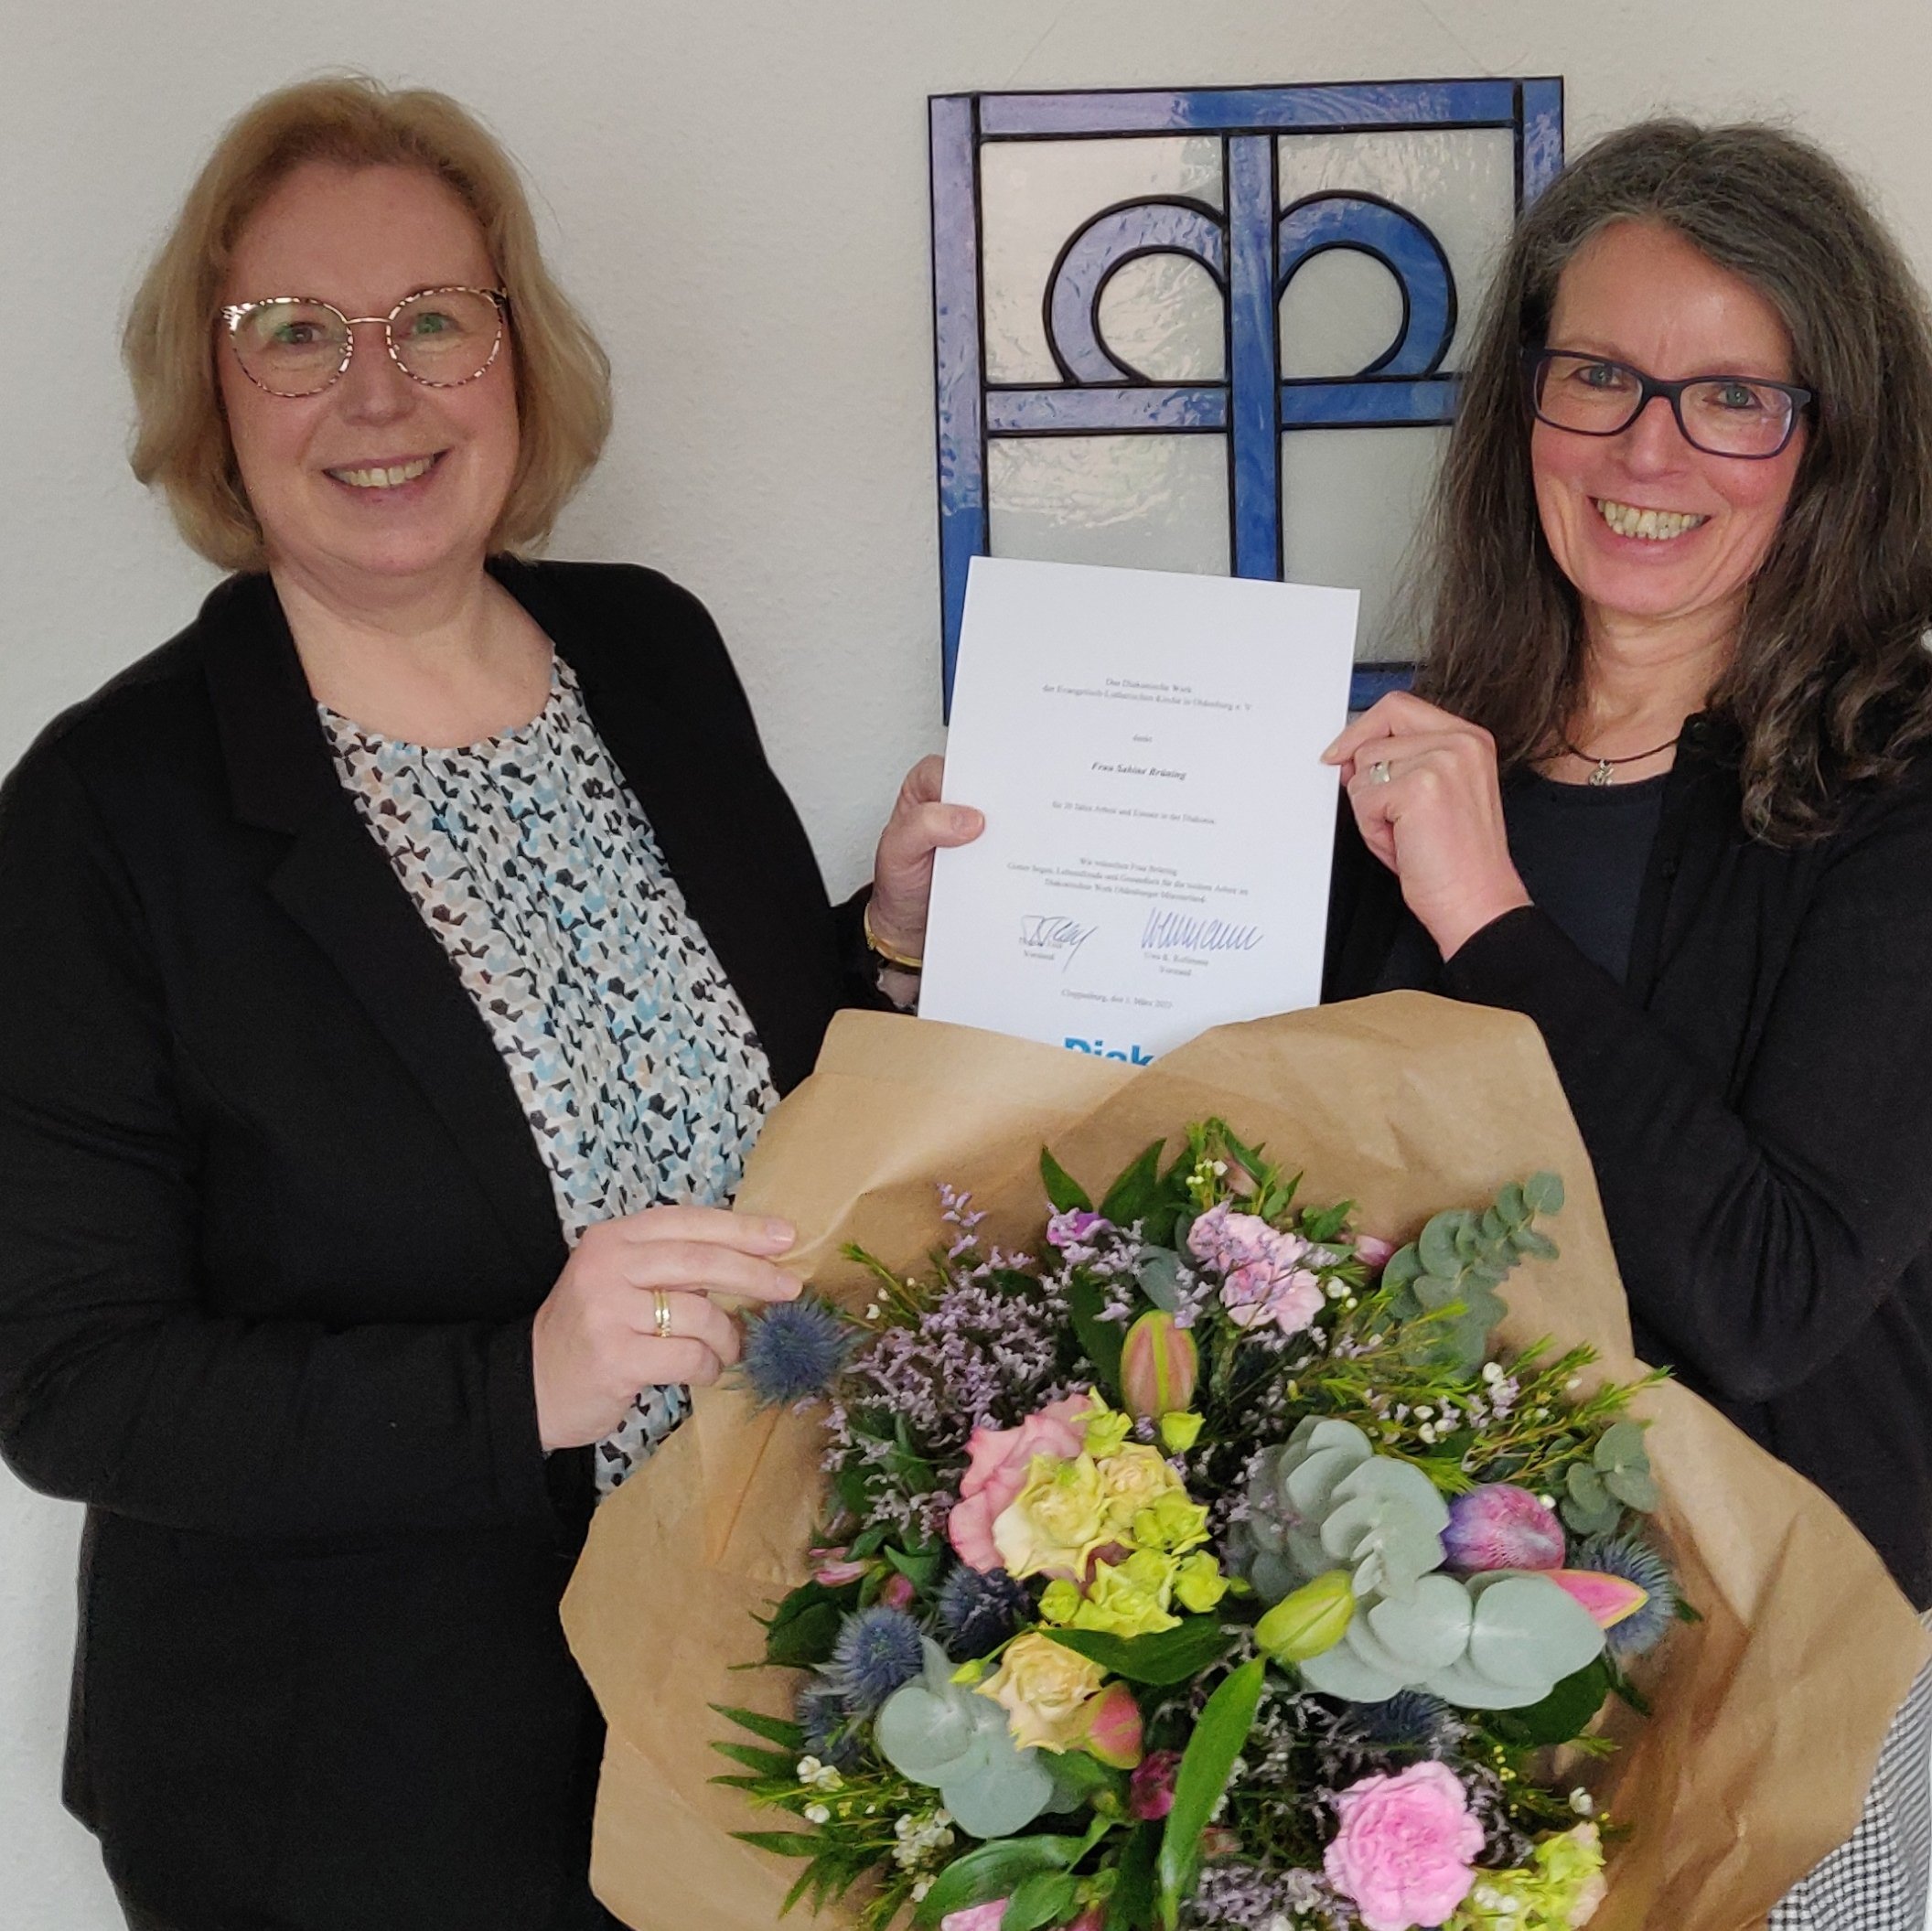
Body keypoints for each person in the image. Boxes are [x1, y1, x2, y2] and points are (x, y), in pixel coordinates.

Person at [0, 77, 971, 1931]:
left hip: (751, 1720)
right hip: (351, 1795)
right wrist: (520, 1381)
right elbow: (68, 1385)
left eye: (435, 319)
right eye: (297, 332)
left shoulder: (651, 654)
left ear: (517, 356)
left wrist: (894, 944)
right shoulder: (104, 813)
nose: (379, 391)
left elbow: (734, 1088)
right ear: (214, 392)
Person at [1320, 122, 1932, 1927]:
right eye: (1597, 375)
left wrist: (1490, 921)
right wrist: (911, 937)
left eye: (1733, 397)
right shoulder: (1408, 782)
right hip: (1400, 1685)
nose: (1647, 450)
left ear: (1835, 442)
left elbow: (1770, 1295)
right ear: (1526, 402)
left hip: (1779, 1680)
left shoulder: (1898, 805)